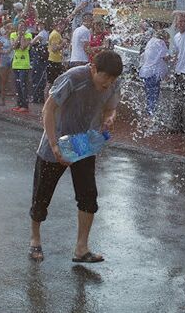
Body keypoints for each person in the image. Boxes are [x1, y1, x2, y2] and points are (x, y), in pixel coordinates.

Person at [28, 50, 123, 263]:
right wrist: (53, 145)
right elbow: (48, 109)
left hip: (83, 144)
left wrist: (109, 118)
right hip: (56, 142)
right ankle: (35, 240)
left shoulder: (114, 83)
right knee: (42, 195)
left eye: (113, 78)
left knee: (88, 196)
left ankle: (81, 248)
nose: (109, 82)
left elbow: (110, 109)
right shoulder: (74, 78)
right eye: (105, 76)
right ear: (93, 68)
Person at [138, 29, 169, 115]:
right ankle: (152, 118)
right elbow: (165, 57)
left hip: (146, 72)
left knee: (149, 96)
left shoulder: (151, 41)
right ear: (164, 37)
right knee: (154, 96)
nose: (167, 41)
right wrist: (174, 58)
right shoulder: (161, 42)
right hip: (154, 73)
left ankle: (148, 116)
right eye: (167, 39)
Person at [10, 21, 33, 113]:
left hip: (24, 64)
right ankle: (19, 103)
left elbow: (23, 46)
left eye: (23, 27)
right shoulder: (13, 34)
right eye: (20, 27)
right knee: (17, 85)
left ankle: (25, 105)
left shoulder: (29, 35)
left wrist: (22, 36)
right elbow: (14, 46)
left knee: (23, 84)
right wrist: (19, 36)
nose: (21, 28)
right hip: (15, 63)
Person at [30, 21, 50, 103]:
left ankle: (36, 97)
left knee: (37, 76)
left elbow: (32, 42)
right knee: (41, 76)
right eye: (39, 25)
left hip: (39, 57)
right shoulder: (45, 33)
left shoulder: (42, 33)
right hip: (43, 57)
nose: (39, 26)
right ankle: (39, 96)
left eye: (41, 25)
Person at [46, 19, 67, 95]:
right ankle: (47, 103)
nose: (61, 26)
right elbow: (54, 49)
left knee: (53, 83)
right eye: (60, 24)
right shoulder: (55, 34)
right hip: (54, 61)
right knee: (50, 83)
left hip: (56, 61)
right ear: (55, 25)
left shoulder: (57, 34)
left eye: (63, 25)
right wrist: (63, 43)